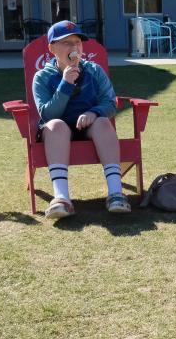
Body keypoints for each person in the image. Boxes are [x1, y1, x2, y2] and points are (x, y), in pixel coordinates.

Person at [33, 20, 131, 219]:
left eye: (78, 42)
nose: (74, 47)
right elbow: (48, 114)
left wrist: (94, 112)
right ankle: (62, 198)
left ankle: (115, 194)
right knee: (55, 125)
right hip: (58, 132)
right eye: (67, 43)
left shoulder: (94, 71)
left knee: (103, 122)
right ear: (52, 48)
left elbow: (110, 103)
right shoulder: (42, 77)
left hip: (90, 128)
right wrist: (65, 83)